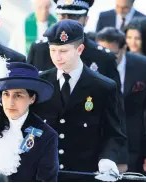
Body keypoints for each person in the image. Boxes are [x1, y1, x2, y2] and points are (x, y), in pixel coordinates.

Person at [31, 19, 126, 181]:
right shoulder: (40, 83)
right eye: (52, 50)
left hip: (83, 174)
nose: (57, 57)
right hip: (44, 173)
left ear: (80, 49)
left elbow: (114, 133)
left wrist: (107, 159)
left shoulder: (103, 87)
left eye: (64, 51)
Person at [0, 57, 59, 181]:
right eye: (6, 94)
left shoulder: (47, 136)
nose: (10, 102)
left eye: (18, 95)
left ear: (32, 98)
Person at [96, 27, 146, 176]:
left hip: (135, 148)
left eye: (112, 54)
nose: (107, 58)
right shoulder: (92, 66)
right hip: (99, 149)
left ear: (123, 48)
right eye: (102, 53)